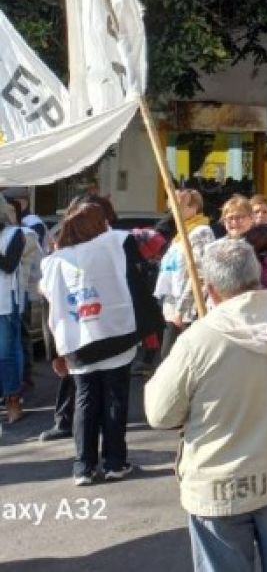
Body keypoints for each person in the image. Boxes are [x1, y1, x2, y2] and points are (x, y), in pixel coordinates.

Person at [144, 239, 267, 572]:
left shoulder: (197, 340)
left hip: (222, 483)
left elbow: (161, 413)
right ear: (258, 274)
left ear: (211, 289)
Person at [40, 201, 162, 484]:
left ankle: (83, 466)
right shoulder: (115, 242)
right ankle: (115, 462)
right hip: (115, 332)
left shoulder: (55, 260)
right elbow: (155, 241)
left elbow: (46, 295)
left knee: (85, 401)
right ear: (100, 223)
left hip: (77, 338)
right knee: (114, 398)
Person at [154, 189, 215, 361]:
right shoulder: (181, 233)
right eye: (172, 207)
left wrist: (182, 310)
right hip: (172, 308)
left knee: (177, 360)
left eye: (178, 206)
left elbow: (199, 274)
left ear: (193, 207)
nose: (174, 212)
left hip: (187, 312)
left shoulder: (201, 232)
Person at [0, 203, 27, 423]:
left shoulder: (15, 234)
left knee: (5, 354)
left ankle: (13, 401)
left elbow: (9, 265)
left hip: (5, 304)